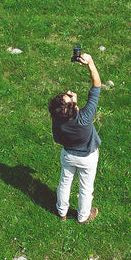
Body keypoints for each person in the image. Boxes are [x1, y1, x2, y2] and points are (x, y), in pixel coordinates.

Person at [48, 51, 102, 222]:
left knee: (65, 182)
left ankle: (62, 212)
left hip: (68, 155)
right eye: (70, 96)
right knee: (86, 188)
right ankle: (83, 216)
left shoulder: (57, 120)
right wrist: (90, 63)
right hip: (87, 157)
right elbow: (96, 86)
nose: (70, 91)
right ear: (74, 108)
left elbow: (57, 139)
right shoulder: (84, 118)